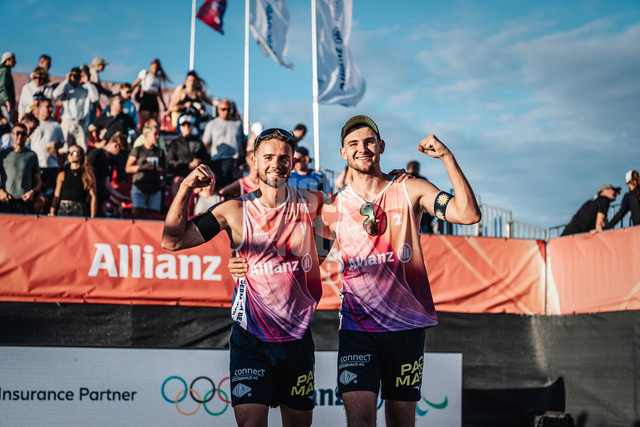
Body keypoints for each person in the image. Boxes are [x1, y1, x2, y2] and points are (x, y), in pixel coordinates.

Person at [229, 115, 482, 427]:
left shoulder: (410, 189)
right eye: (353, 144)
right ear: (343, 153)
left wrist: (446, 157)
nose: (362, 149)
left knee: (401, 422)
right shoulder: (333, 207)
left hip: (406, 326)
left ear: (381, 146)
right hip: (357, 329)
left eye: (369, 142)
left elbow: (468, 214)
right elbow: (301, 262)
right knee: (360, 421)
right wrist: (240, 262)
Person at [162, 128, 324, 427]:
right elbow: (172, 241)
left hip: (296, 339)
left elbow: (359, 206)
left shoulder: (315, 204)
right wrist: (185, 187)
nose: (276, 164)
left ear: (292, 162)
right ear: (255, 161)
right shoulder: (234, 210)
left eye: (284, 158)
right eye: (268, 157)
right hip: (251, 340)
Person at [125, 121, 167, 219]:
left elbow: (165, 170)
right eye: (155, 134)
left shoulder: (159, 151)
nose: (157, 136)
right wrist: (142, 167)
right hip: (140, 187)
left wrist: (160, 169)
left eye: (158, 134)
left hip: (155, 188)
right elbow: (127, 168)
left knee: (154, 216)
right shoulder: (138, 150)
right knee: (137, 215)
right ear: (147, 135)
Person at [202, 98, 246, 189]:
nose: (226, 112)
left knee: (234, 191)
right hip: (218, 162)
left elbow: (243, 142)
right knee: (220, 189)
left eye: (228, 109)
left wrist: (242, 160)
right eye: (223, 109)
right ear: (218, 110)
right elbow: (206, 144)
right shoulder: (212, 124)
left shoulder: (238, 124)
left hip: (234, 162)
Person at [52, 66, 99, 151]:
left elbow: (95, 98)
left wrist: (88, 82)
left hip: (81, 123)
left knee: (82, 149)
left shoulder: (85, 89)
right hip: (67, 122)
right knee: (64, 149)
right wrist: (66, 81)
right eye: (73, 76)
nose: (75, 78)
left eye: (78, 76)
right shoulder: (66, 88)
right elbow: (55, 95)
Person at [0, 123, 41, 214]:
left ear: (27, 136)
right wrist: (0, 192)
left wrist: (32, 192)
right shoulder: (3, 155)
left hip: (25, 202)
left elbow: (38, 181)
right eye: (17, 133)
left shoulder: (32, 155)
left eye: (23, 134)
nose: (20, 136)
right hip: (7, 202)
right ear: (12, 135)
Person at [87, 133, 130, 217]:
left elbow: (106, 184)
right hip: (89, 197)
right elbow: (85, 172)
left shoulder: (109, 160)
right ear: (116, 145)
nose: (119, 155)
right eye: (121, 151)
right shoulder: (97, 154)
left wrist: (120, 198)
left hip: (97, 199)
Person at [29, 98, 65, 198]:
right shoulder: (33, 124)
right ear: (40, 108)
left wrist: (56, 146)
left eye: (51, 106)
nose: (50, 109)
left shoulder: (55, 125)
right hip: (36, 164)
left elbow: (62, 143)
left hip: (51, 165)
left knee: (50, 194)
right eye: (47, 106)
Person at [49, 145, 97, 218]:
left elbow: (93, 196)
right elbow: (56, 195)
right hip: (63, 208)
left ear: (81, 155)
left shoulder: (87, 174)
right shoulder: (62, 174)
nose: (70, 155)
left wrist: (93, 216)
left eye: (74, 152)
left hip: (79, 209)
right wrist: (52, 211)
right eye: (68, 153)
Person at [167, 114, 209, 195]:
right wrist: (188, 165)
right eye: (184, 125)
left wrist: (200, 162)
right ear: (180, 127)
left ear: (192, 126)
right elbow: (170, 163)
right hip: (180, 179)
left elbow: (208, 161)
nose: (186, 127)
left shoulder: (198, 142)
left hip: (197, 180)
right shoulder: (175, 143)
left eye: (188, 124)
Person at [131, 59, 169, 128]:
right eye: (154, 67)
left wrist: (163, 104)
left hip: (154, 99)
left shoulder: (158, 77)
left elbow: (159, 92)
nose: (155, 69)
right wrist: (128, 92)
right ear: (151, 66)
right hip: (146, 97)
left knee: (154, 122)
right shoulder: (145, 73)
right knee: (145, 121)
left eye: (156, 67)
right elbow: (135, 83)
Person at [406, 160, 436, 234]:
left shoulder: (402, 179)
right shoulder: (422, 180)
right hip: (422, 219)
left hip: (406, 217)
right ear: (416, 168)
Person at [0, 52, 16, 122]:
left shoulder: (6, 71)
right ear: (8, 59)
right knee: (7, 123)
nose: (15, 62)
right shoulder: (4, 71)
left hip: (5, 103)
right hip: (4, 104)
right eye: (13, 60)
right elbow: (2, 87)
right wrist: (7, 101)